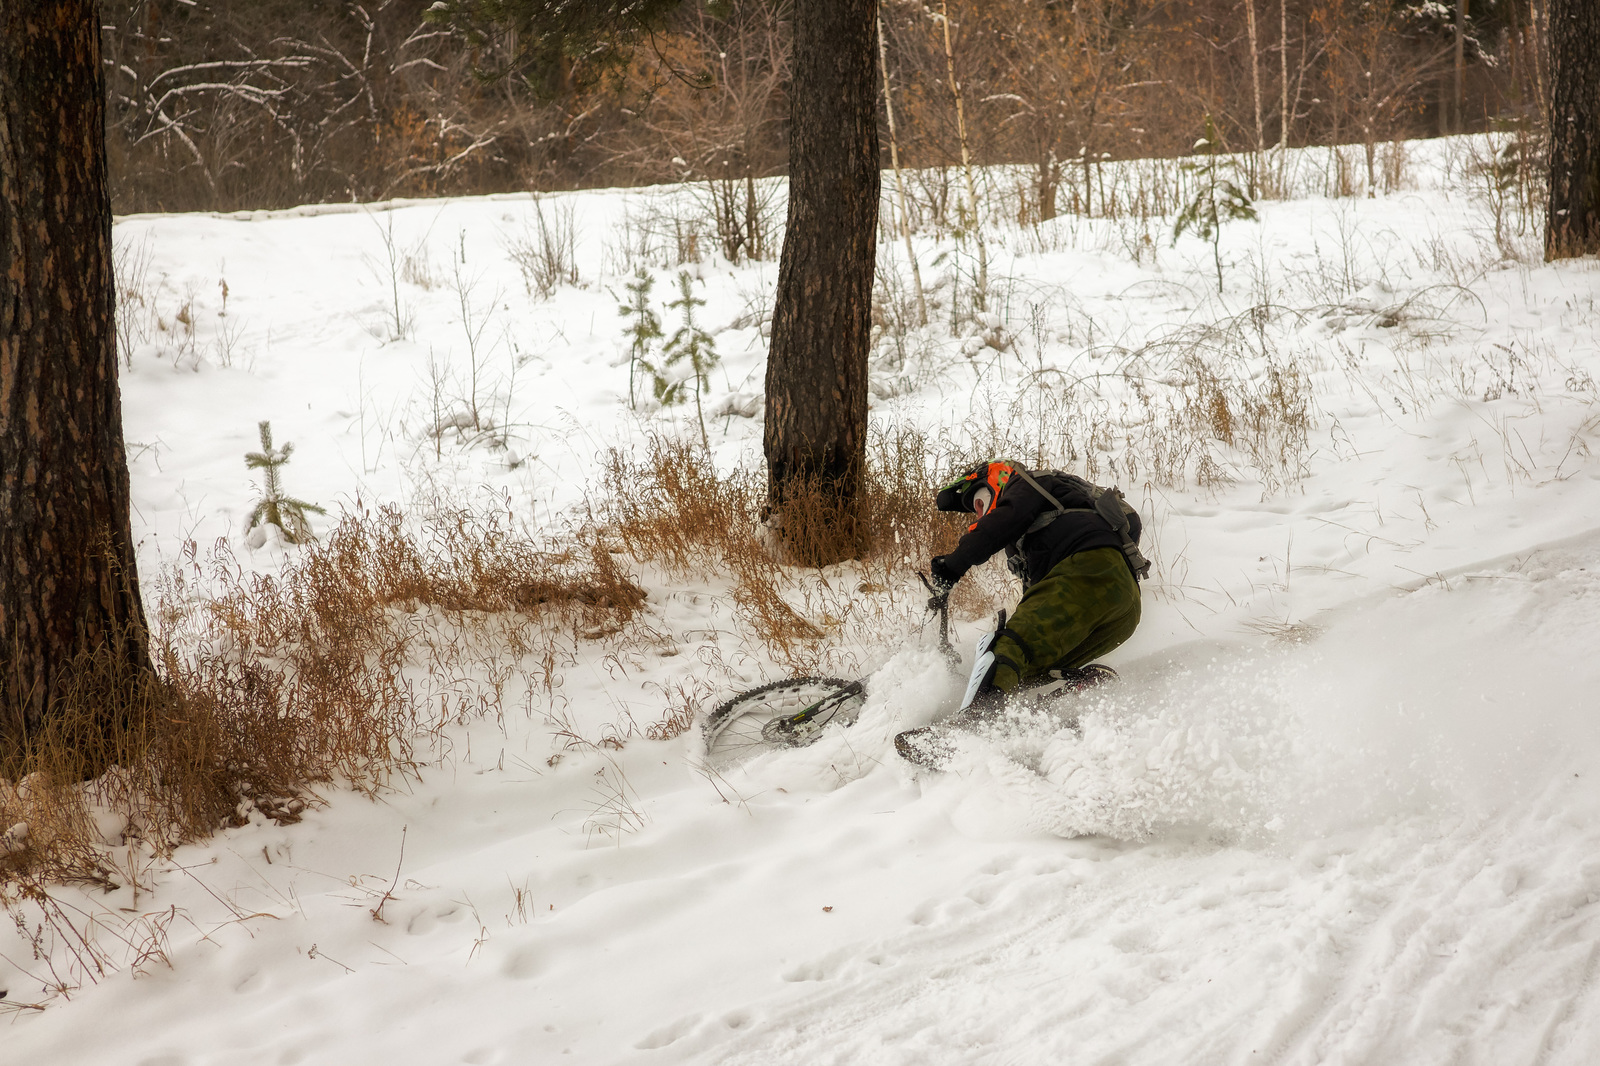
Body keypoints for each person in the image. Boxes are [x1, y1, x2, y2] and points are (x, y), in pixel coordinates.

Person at [895, 460, 1147, 766]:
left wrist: (952, 565)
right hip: (1124, 605)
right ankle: (1073, 696)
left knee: (1007, 646)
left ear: (993, 479)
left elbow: (1005, 519)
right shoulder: (1056, 522)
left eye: (977, 501)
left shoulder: (1024, 482)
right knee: (1023, 668)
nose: (978, 514)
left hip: (1088, 573)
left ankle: (971, 733)